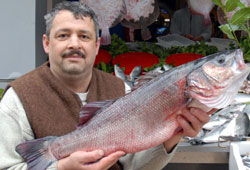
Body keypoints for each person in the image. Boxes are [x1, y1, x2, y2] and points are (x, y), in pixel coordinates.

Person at [0, 1, 212, 170]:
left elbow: (137, 166)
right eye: (63, 35)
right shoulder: (17, 98)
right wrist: (61, 168)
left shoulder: (121, 90)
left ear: (96, 45)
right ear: (47, 43)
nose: (74, 44)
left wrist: (173, 134)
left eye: (84, 36)